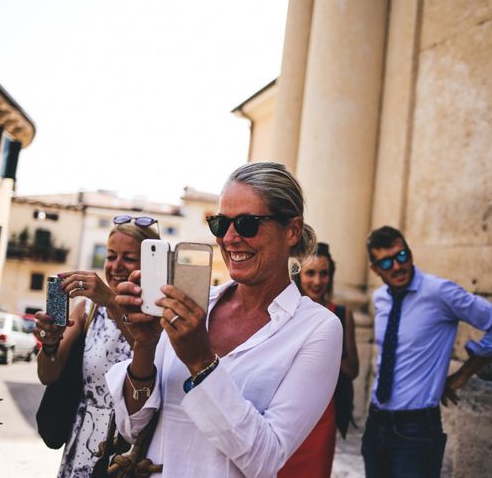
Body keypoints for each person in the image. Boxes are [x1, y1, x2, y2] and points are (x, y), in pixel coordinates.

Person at [106, 162, 343, 477]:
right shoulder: (192, 305)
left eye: (246, 224)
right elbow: (132, 427)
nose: (229, 239)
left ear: (292, 230)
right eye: (220, 224)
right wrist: (145, 345)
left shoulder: (317, 328)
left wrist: (202, 362)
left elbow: (266, 458)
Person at [361, 226, 492, 478]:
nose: (397, 266)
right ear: (375, 270)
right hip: (376, 421)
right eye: (386, 262)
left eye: (401, 256)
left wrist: (463, 374)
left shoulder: (439, 292)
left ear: (410, 254)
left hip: (416, 430)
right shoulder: (380, 298)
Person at [34, 215, 159, 477]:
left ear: (150, 263)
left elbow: (153, 360)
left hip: (134, 445)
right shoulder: (88, 309)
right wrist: (49, 344)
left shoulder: (158, 313)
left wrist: (113, 301)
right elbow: (47, 375)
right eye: (111, 255)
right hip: (85, 437)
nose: (116, 266)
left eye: (129, 257)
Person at [279, 242, 359, 477]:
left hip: (323, 418)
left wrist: (330, 348)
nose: (317, 281)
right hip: (286, 415)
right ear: (298, 276)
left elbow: (353, 370)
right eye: (310, 273)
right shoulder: (285, 312)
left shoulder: (342, 314)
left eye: (324, 273)